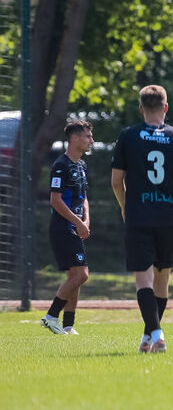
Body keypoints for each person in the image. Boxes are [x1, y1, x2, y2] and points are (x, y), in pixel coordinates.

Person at [111, 85, 173, 353]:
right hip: (168, 217)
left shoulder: (128, 136)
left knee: (144, 280)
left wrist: (125, 206)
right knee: (161, 280)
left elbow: (116, 182)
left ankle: (153, 334)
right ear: (165, 107)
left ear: (141, 108)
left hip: (139, 216)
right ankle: (153, 335)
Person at [41, 120, 93, 335]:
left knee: (75, 277)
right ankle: (51, 316)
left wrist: (86, 220)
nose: (91, 140)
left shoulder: (81, 165)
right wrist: (78, 222)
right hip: (63, 228)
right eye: (87, 136)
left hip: (75, 227)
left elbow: (84, 198)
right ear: (74, 138)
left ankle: (68, 325)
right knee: (81, 275)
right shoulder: (60, 165)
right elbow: (56, 200)